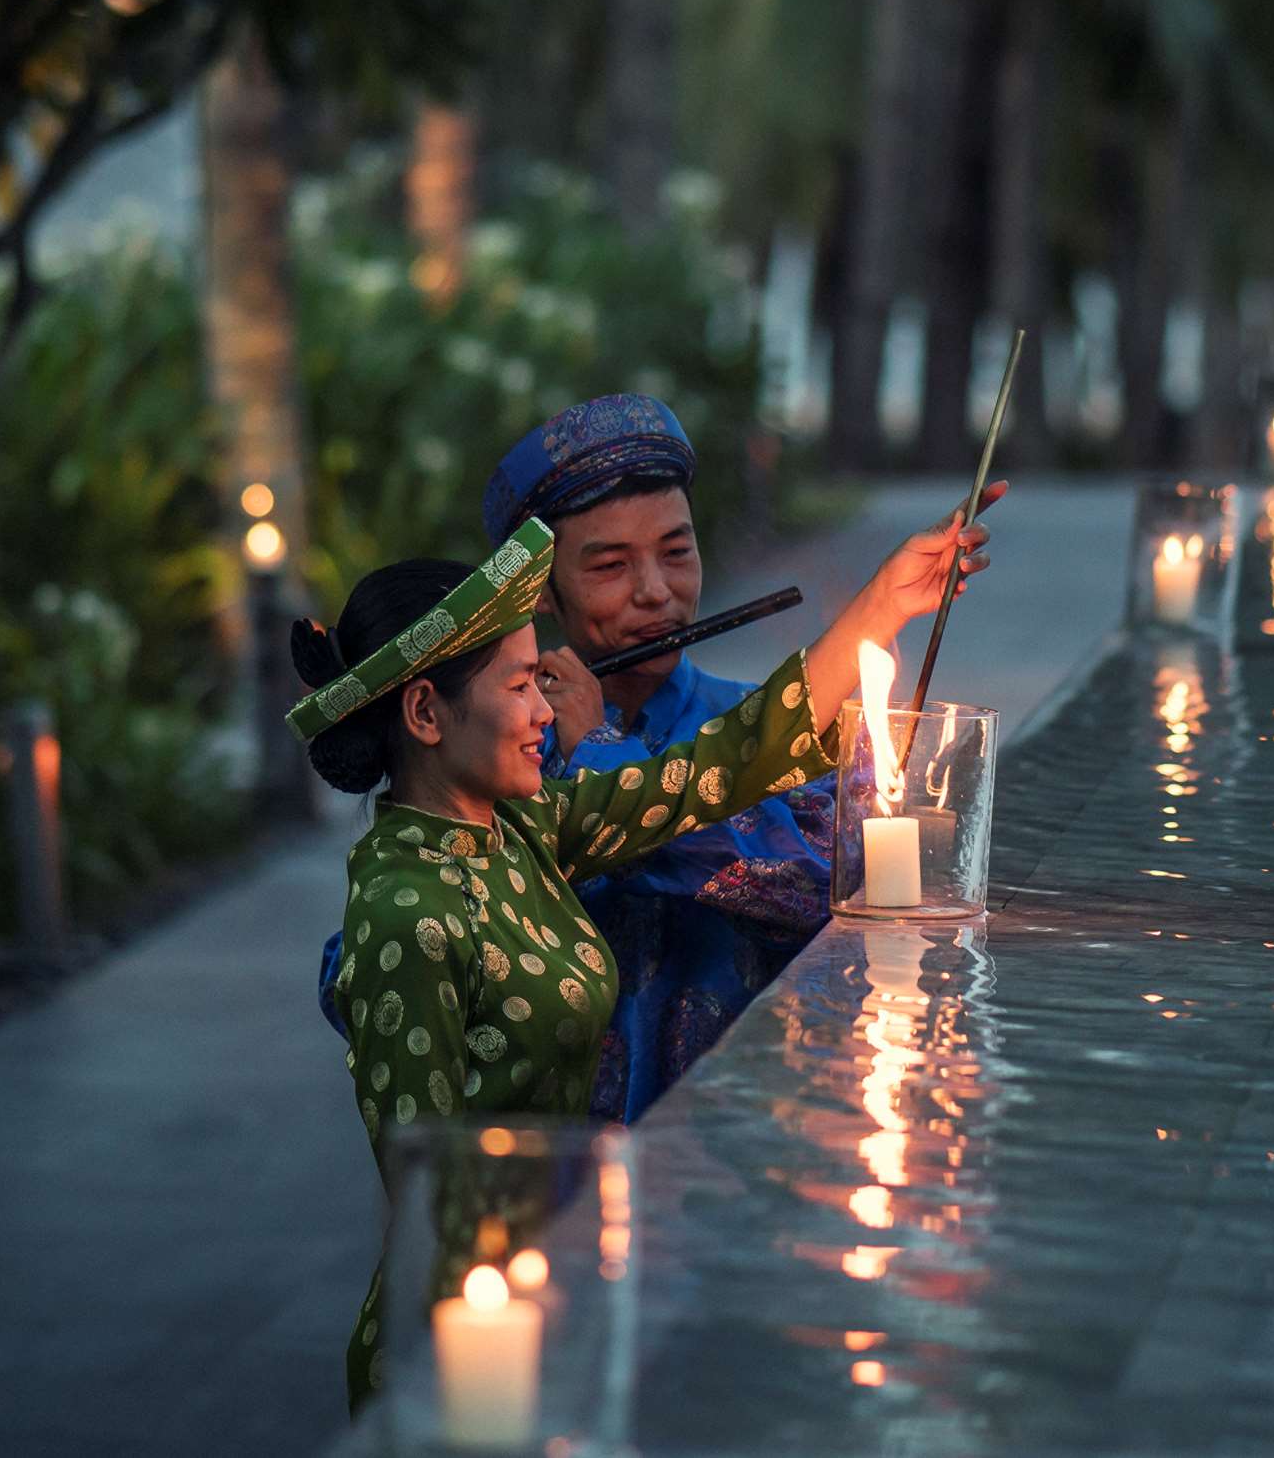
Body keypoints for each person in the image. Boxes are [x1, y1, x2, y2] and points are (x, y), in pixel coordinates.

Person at [296, 503, 995, 1409]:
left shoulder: (522, 829)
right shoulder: (402, 909)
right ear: (426, 711)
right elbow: (428, 1189)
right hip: (471, 1340)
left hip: (560, 1283)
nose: (549, 708)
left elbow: (713, 769)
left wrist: (880, 606)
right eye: (519, 688)